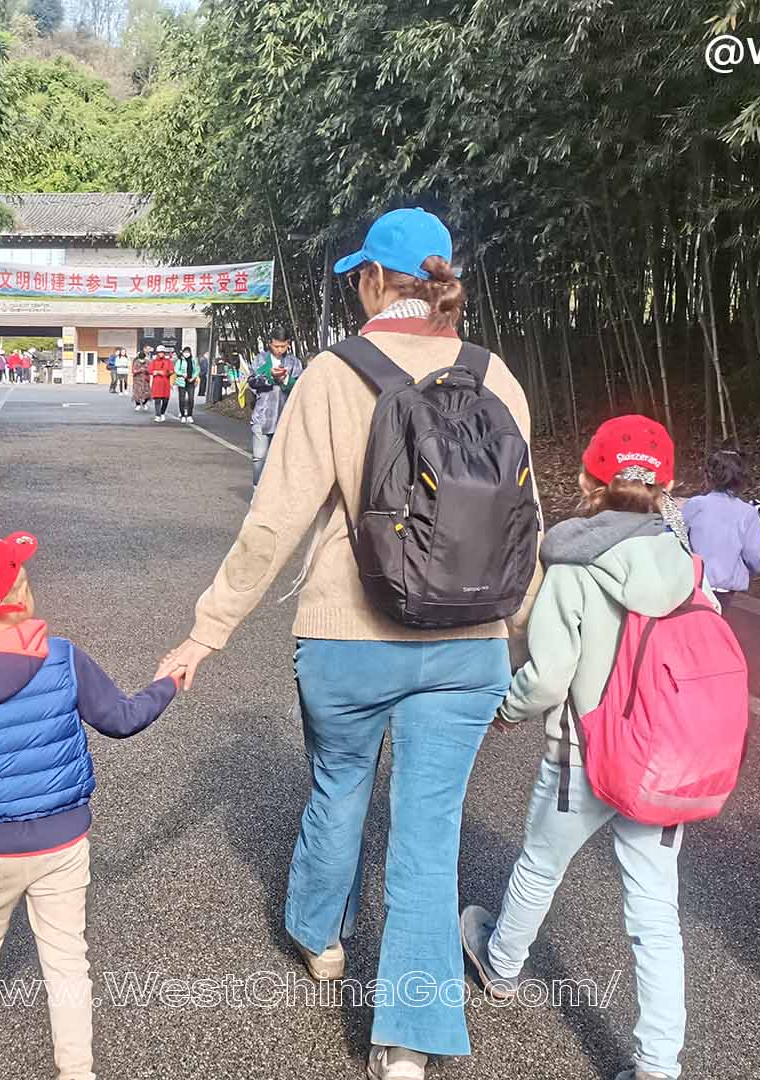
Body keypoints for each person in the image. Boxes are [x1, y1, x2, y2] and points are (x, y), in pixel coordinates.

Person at [155, 207, 535, 1080]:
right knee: (430, 833)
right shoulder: (495, 374)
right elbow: (528, 525)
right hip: (470, 642)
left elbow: (275, 521)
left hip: (347, 634)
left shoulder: (334, 373)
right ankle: (408, 1044)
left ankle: (321, 937)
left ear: (372, 281)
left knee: (339, 786)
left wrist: (205, 631)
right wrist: (526, 654)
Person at [460, 415, 698, 1080]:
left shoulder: (571, 562)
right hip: (662, 761)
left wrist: (505, 710)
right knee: (654, 910)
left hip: (584, 756)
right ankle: (658, 1064)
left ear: (589, 479)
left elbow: (547, 677)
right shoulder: (687, 564)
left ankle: (501, 964)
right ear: (668, 483)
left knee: (540, 864)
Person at [0, 531, 179, 1080]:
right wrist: (166, 685)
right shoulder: (62, 659)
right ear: (13, 600)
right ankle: (76, 1069)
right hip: (63, 840)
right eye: (23, 580)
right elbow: (122, 719)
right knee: (65, 952)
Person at [681, 445, 760, 611]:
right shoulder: (748, 513)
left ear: (708, 476)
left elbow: (675, 539)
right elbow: (757, 558)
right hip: (725, 589)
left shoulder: (694, 505)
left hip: (692, 585)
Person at [248, 332, 303, 486]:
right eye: (276, 346)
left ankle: (274, 494)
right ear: (270, 344)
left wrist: (285, 378)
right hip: (262, 414)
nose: (279, 349)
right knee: (259, 457)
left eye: (282, 346)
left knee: (280, 460)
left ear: (288, 344)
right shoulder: (261, 359)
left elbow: (300, 387)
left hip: (285, 417)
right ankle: (257, 490)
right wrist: (269, 376)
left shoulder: (294, 362)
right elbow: (252, 381)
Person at [149, 348, 176, 422]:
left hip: (165, 383)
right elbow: (150, 371)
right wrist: (157, 372)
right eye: (159, 352)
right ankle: (157, 415)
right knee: (157, 399)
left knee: (165, 400)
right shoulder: (153, 361)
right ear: (157, 353)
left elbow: (172, 370)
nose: (161, 354)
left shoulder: (168, 361)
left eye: (162, 352)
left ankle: (162, 413)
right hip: (157, 383)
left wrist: (167, 372)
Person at [175, 346, 200, 424]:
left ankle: (189, 415)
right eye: (185, 352)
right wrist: (182, 374)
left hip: (191, 382)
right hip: (181, 382)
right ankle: (182, 415)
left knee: (191, 399)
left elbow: (197, 370)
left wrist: (193, 377)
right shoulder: (180, 360)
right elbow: (176, 369)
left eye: (188, 352)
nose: (186, 354)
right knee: (182, 399)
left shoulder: (193, 360)